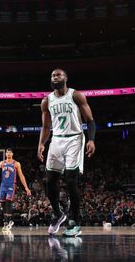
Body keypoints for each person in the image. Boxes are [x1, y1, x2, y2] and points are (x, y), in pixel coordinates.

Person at [37, 69, 96, 237]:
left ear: (66, 78)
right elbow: (46, 127)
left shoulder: (76, 95)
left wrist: (91, 140)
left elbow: (90, 120)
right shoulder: (46, 101)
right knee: (50, 181)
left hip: (74, 139)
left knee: (71, 181)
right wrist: (41, 143)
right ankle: (58, 214)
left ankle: (74, 222)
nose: (55, 77)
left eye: (59, 75)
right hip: (56, 139)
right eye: (53, 75)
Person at [0, 148, 32, 232]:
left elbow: (21, 176)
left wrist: (26, 187)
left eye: (10, 152)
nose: (8, 153)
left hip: (11, 186)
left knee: (8, 201)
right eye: (7, 152)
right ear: (5, 154)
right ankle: (8, 221)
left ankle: (7, 222)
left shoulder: (16, 164)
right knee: (2, 203)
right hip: (3, 185)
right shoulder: (2, 163)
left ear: (12, 154)